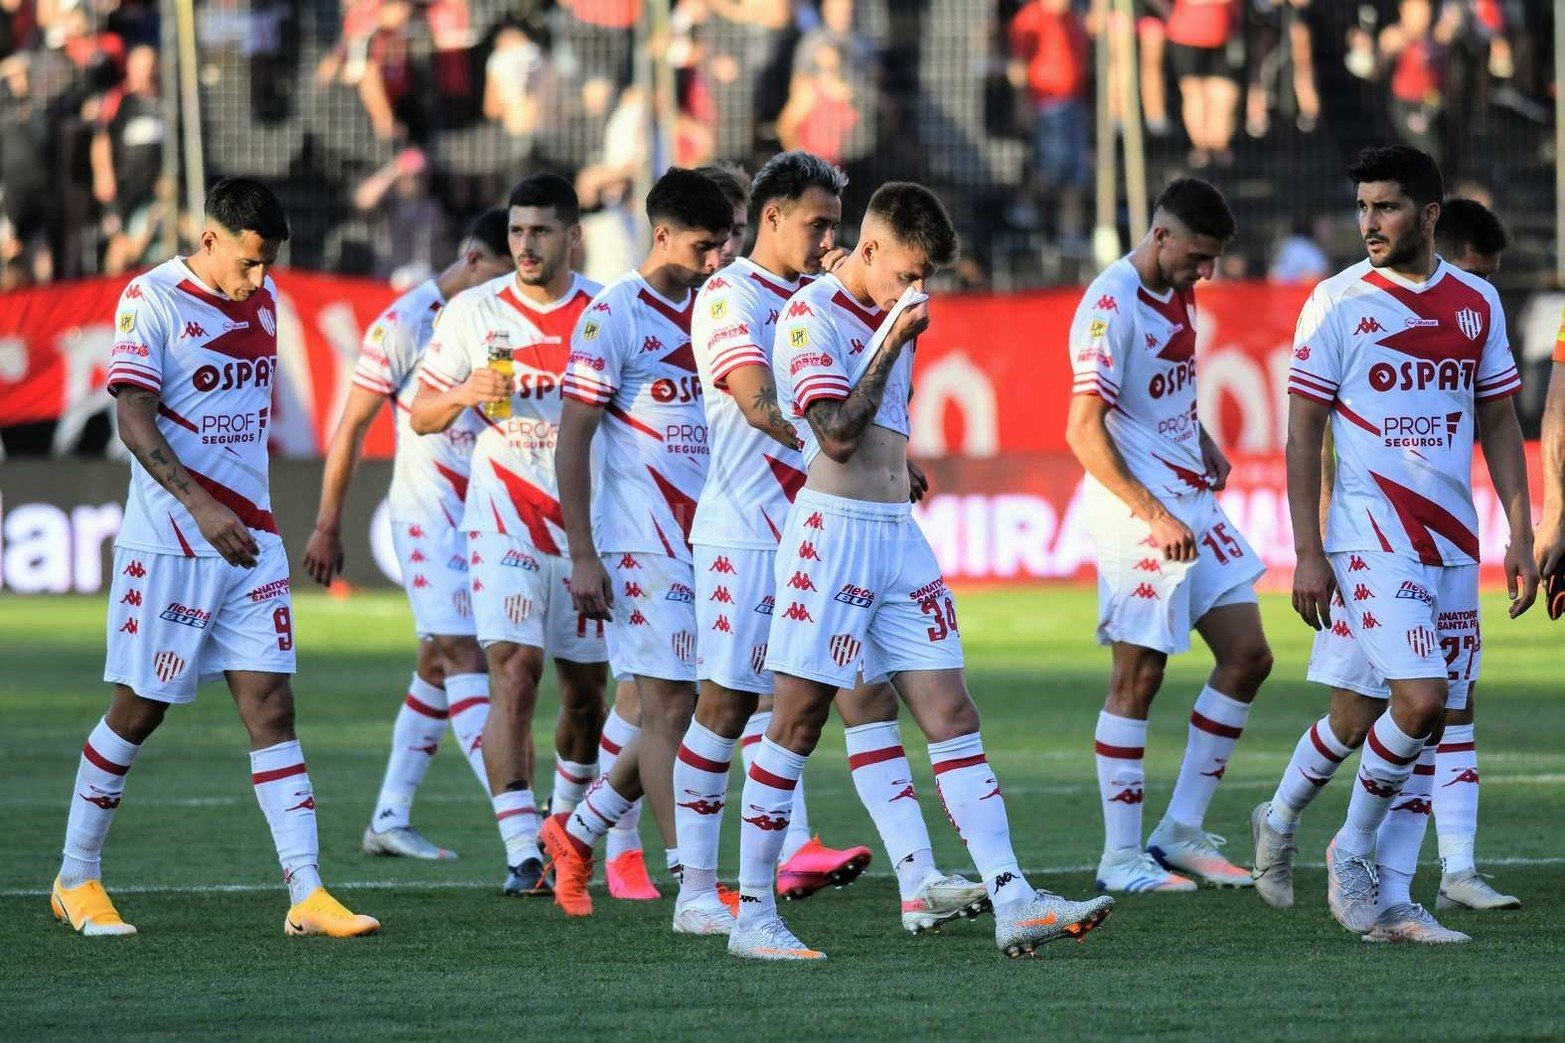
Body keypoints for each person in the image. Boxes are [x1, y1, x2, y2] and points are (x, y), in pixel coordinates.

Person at [721, 180, 1115, 961]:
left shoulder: (890, 307)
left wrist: (898, 460)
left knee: (951, 712)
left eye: (926, 276)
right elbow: (834, 434)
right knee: (795, 722)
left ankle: (1012, 898)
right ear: (868, 249)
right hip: (831, 538)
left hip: (896, 537)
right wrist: (892, 335)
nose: (917, 290)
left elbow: (877, 425)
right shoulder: (809, 317)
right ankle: (753, 915)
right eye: (907, 272)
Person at [670, 151, 987, 937]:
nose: (825, 241)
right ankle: (697, 891)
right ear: (771, 217)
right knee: (728, 705)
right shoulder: (729, 294)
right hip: (750, 530)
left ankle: (918, 879)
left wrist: (888, 458)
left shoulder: (831, 293)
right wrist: (831, 439)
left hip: (830, 532)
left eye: (834, 226)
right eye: (815, 224)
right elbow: (759, 403)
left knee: (868, 694)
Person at [53, 178, 378, 938]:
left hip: (250, 542)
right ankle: (76, 877)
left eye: (269, 264)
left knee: (272, 706)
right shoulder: (151, 300)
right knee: (139, 711)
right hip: (172, 542)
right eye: (249, 262)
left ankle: (307, 892)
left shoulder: (262, 299)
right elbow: (133, 420)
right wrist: (201, 506)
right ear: (209, 241)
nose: (259, 280)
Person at [1268, 145, 1535, 943]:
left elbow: (1498, 421)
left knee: (1418, 717)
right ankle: (1348, 850)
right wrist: (1307, 549)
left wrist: (1520, 532)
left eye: (1384, 206)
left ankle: (1389, 901)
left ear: (1427, 215)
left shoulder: (1476, 303)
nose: (1368, 222)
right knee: (1415, 701)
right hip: (1367, 536)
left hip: (1450, 541)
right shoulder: (1334, 302)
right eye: (1361, 207)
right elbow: (1302, 432)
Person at [1065, 177, 1271, 894]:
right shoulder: (1110, 306)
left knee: (1247, 656)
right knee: (1139, 676)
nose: (1205, 272)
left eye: (1213, 259)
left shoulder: (1177, 289)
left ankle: (1180, 830)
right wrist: (1153, 514)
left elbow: (1164, 389)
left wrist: (1202, 439)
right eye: (1197, 256)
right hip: (1138, 512)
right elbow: (1082, 430)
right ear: (1160, 236)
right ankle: (1120, 857)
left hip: (1191, 498)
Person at [410, 175, 613, 897]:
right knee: (514, 669)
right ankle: (522, 848)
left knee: (585, 695)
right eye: (517, 231)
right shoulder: (475, 311)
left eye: (540, 232)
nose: (525, 245)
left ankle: (566, 831)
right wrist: (466, 392)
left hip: (587, 521)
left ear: (572, 236)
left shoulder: (604, 312)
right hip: (502, 517)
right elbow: (421, 413)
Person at [539, 167, 733, 917]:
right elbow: (573, 438)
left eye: (723, 244)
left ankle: (577, 829)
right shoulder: (612, 314)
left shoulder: (719, 308)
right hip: (640, 542)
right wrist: (582, 553)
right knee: (671, 707)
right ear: (661, 235)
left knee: (721, 699)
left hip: (714, 536)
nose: (716, 258)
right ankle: (692, 881)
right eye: (703, 245)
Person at [301, 211, 512, 863]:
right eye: (501, 274)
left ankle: (389, 817)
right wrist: (327, 523)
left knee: (436, 665)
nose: (508, 290)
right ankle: (524, 829)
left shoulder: (501, 318)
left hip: (487, 515)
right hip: (426, 516)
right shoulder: (403, 324)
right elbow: (352, 426)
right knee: (464, 656)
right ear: (473, 261)